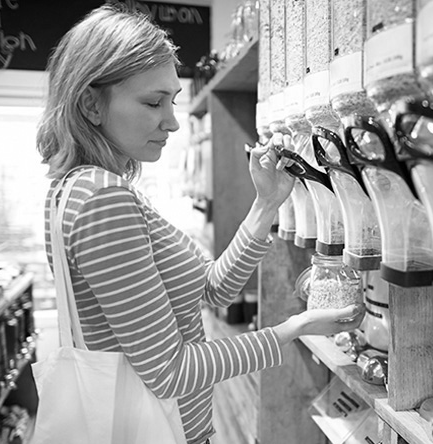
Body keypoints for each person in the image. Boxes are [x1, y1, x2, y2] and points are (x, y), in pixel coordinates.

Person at [36, 5, 364, 444]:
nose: (171, 121)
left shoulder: (72, 189)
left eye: (172, 100)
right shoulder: (103, 200)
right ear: (90, 103)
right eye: (153, 102)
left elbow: (212, 290)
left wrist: (266, 204)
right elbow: (171, 373)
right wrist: (295, 328)